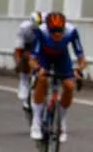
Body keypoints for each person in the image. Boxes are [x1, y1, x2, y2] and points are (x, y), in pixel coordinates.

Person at [28, 11, 87, 140]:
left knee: (69, 86)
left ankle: (61, 121)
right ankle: (36, 122)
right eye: (54, 32)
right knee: (42, 79)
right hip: (44, 56)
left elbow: (81, 58)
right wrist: (38, 69)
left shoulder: (71, 31)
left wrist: (79, 70)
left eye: (60, 31)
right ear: (48, 29)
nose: (57, 35)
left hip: (61, 56)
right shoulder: (41, 32)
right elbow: (32, 59)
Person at [14, 10, 45, 110]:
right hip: (27, 46)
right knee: (26, 57)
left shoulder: (46, 29)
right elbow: (18, 50)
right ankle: (24, 80)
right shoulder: (23, 28)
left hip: (41, 45)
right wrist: (19, 64)